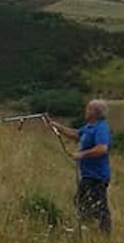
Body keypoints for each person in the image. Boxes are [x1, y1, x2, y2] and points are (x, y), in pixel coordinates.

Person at [45, 99, 112, 234]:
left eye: (88, 109)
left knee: (98, 206)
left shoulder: (101, 128)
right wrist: (56, 126)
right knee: (81, 201)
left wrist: (82, 154)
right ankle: (88, 228)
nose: (85, 111)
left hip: (97, 176)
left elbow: (102, 148)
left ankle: (102, 233)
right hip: (88, 174)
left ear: (95, 112)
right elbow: (76, 134)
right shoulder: (89, 127)